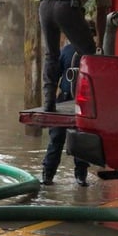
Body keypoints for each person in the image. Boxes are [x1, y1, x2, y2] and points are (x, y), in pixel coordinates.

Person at [39, 0, 111, 112]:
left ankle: (48, 103)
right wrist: (99, 42)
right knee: (89, 55)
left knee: (51, 54)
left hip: (44, 5)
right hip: (65, 6)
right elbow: (101, 12)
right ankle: (91, 101)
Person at [41, 27, 94, 187]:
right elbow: (54, 74)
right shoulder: (68, 51)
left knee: (81, 140)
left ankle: (79, 175)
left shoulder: (93, 54)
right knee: (57, 138)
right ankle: (48, 174)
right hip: (66, 99)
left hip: (83, 101)